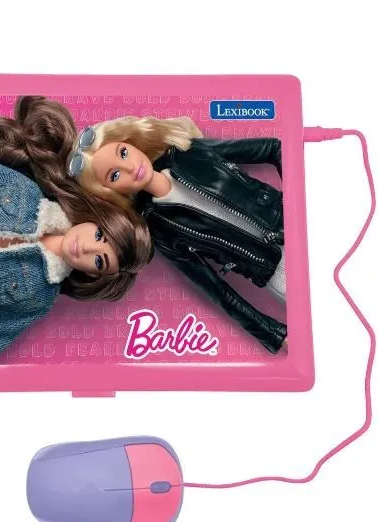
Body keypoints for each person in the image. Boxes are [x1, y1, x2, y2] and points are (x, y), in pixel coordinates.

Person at [0, 149, 153, 364]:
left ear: (92, 274)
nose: (86, 248)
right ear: (95, 219)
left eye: (99, 261)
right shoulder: (25, 193)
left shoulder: (38, 298)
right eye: (98, 235)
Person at [66, 115, 287, 353]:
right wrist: (273, 334)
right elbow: (217, 290)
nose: (130, 167)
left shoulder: (187, 152)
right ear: (111, 192)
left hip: (293, 219)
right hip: (277, 273)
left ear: (130, 142)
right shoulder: (159, 228)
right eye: (115, 175)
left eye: (123, 152)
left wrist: (297, 202)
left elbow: (273, 148)